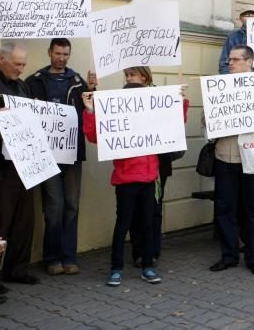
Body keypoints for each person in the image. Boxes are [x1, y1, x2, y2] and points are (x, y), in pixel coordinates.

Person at [25, 38, 93, 276]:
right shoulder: (34, 81)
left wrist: (93, 91)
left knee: (72, 206)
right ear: (49, 53)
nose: (62, 58)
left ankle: (69, 257)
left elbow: (90, 112)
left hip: (73, 154)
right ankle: (52, 258)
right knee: (54, 206)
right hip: (47, 154)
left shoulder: (77, 81)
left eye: (66, 54)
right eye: (58, 53)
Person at [81, 87, 162, 286]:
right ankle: (116, 268)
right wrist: (90, 111)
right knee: (123, 225)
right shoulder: (119, 118)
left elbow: (172, 125)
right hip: (126, 180)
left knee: (147, 224)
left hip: (148, 179)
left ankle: (148, 266)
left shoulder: (152, 117)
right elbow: (94, 136)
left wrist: (182, 102)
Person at [0, 41, 39, 285]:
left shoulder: (22, 86)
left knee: (25, 218)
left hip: (25, 161)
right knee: (0, 219)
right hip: (1, 164)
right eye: (17, 64)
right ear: (1, 59)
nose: (21, 69)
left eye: (23, 64)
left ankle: (17, 269)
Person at [210, 45, 254, 276]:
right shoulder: (218, 87)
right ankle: (229, 255)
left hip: (253, 156)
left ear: (249, 61)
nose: (229, 63)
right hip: (225, 156)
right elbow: (207, 120)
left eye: (235, 59)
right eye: (229, 60)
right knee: (224, 209)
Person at [123, 67, 190, 266]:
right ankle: (138, 251)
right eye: (127, 75)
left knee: (153, 208)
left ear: (144, 77)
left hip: (158, 163)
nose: (129, 78)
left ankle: (152, 251)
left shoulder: (160, 96)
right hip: (132, 164)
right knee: (135, 211)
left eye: (132, 75)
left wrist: (181, 102)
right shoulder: (122, 97)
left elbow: (177, 123)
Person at [218, 9, 254, 74]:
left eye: (253, 15)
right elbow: (224, 63)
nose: (250, 17)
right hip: (238, 80)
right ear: (240, 18)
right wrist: (228, 79)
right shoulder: (233, 37)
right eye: (247, 15)